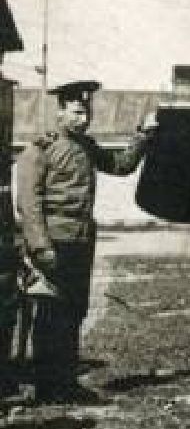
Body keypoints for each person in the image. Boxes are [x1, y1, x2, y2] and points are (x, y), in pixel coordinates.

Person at [15, 80, 155, 403]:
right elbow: (29, 203)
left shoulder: (87, 147)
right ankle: (48, 387)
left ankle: (65, 382)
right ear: (61, 111)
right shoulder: (41, 149)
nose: (84, 118)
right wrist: (40, 247)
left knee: (74, 311)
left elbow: (121, 165)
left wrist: (144, 136)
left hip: (80, 242)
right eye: (77, 111)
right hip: (54, 243)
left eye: (87, 111)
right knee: (51, 314)